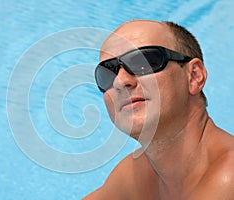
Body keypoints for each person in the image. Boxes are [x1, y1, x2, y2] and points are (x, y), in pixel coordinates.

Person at [83, 20, 234, 199]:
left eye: (143, 61)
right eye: (107, 73)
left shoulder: (229, 178)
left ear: (194, 76)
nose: (120, 81)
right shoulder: (137, 174)